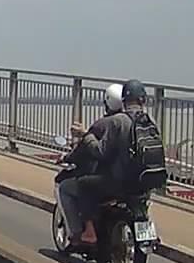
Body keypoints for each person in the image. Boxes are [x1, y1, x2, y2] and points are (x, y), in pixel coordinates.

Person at [60, 80, 150, 244]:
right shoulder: (149, 122)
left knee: (81, 185)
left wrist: (85, 136)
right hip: (144, 183)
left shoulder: (116, 122)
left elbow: (100, 152)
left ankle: (89, 232)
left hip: (119, 183)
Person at [57, 83, 124, 244]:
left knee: (68, 187)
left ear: (107, 102)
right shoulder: (131, 122)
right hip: (131, 180)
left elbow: (86, 151)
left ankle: (82, 233)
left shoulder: (103, 124)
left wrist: (67, 157)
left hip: (109, 179)